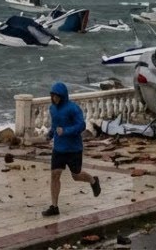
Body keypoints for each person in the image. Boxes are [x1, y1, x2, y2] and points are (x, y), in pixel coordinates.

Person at [43, 82, 101, 217]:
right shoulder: (52, 109)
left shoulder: (73, 108)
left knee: (76, 175)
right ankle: (54, 207)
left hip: (74, 148)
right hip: (58, 148)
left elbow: (81, 125)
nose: (54, 98)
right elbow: (55, 126)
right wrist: (50, 134)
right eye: (52, 96)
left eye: (57, 96)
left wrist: (66, 131)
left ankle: (93, 181)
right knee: (55, 174)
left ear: (62, 96)